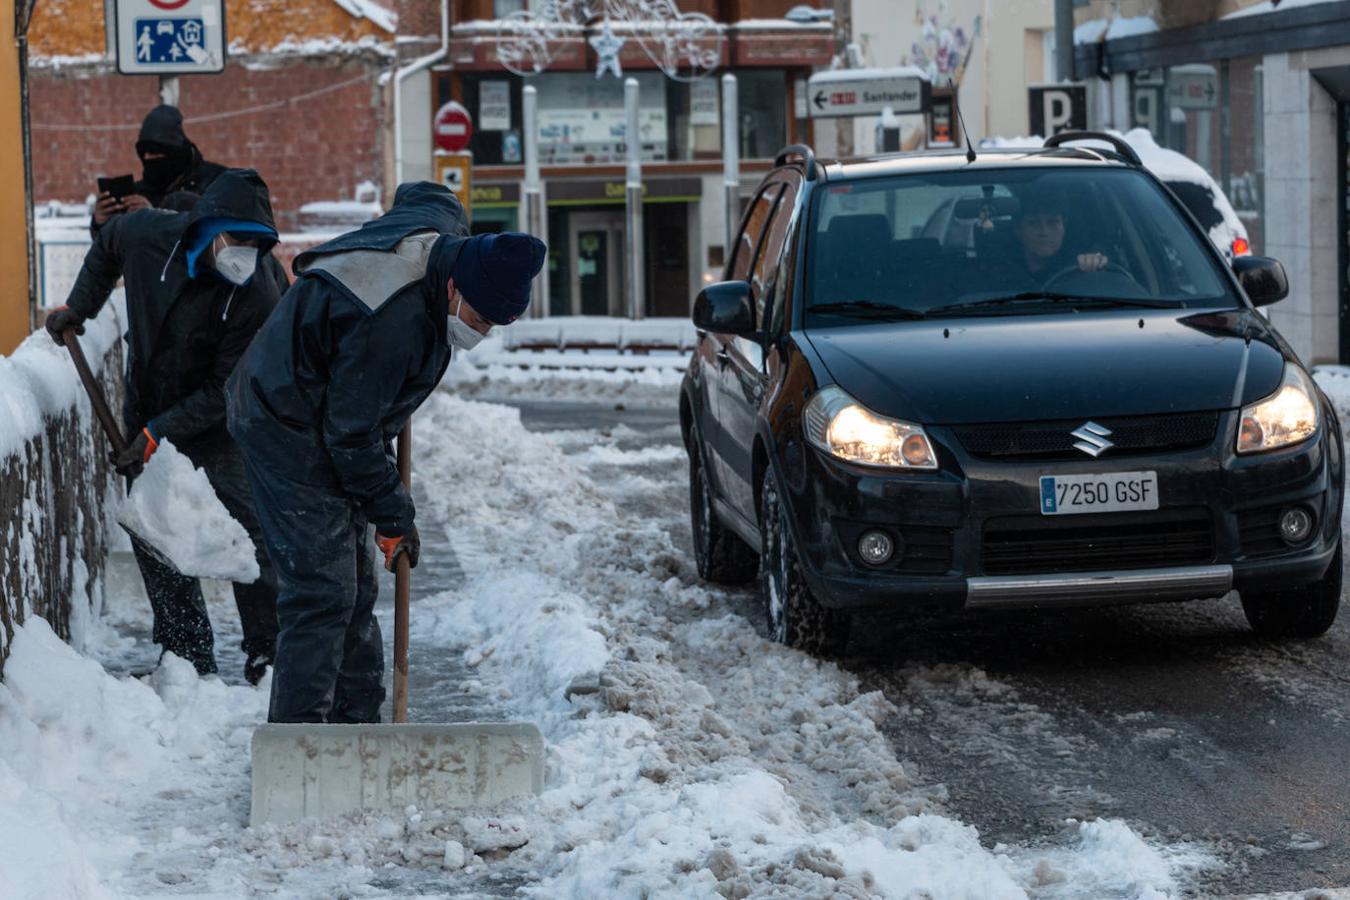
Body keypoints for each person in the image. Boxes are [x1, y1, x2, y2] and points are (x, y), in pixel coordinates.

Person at [225, 182, 546, 724]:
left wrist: (384, 508)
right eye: (480, 320)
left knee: (356, 585)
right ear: (453, 289)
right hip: (282, 419)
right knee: (323, 590)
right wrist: (394, 512)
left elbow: (424, 196)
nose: (481, 334)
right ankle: (300, 749)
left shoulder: (448, 244)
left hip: (328, 409)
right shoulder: (391, 323)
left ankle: (357, 728)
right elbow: (349, 437)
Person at [46, 169, 283, 684]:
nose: (247, 252)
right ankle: (186, 655)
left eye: (258, 243)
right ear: (211, 225)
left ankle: (270, 650)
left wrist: (161, 432)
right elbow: (107, 243)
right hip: (148, 398)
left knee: (250, 529)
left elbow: (227, 387)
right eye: (240, 239)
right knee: (152, 528)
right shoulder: (149, 235)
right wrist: (78, 307)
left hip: (223, 421)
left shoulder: (259, 290)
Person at [92, 105, 226, 234]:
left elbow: (217, 236)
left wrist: (155, 217)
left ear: (173, 152)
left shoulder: (217, 182)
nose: (147, 158)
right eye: (143, 153)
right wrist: (101, 224)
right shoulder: (139, 193)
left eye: (154, 152)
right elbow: (113, 250)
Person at [1011, 191, 1110, 283]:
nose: (1044, 232)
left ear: (1064, 227)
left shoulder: (1079, 266)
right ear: (1018, 230)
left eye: (1053, 222)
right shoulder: (1000, 267)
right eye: (1033, 223)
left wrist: (1096, 264)